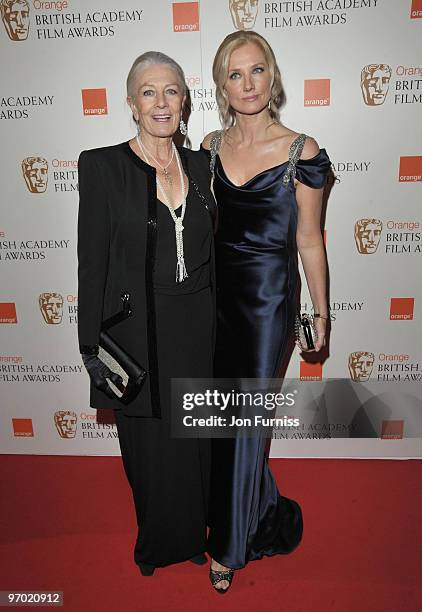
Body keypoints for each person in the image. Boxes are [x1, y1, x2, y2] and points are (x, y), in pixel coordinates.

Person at [77, 51, 216, 576]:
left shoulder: (204, 165)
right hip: (137, 329)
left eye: (172, 91)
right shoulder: (103, 166)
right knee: (150, 445)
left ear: (185, 99)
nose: (162, 103)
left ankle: (197, 530)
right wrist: (91, 345)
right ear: (132, 104)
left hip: (199, 321)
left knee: (197, 436)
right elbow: (90, 263)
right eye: (149, 92)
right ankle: (158, 540)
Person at [202, 31, 331, 593]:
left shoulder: (300, 151)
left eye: (257, 71)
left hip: (267, 307)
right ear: (221, 85)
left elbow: (309, 238)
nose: (247, 84)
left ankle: (229, 548)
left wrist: (320, 313)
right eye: (235, 74)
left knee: (245, 423)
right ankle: (256, 505)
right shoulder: (207, 146)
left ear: (272, 77)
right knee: (220, 420)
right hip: (213, 303)